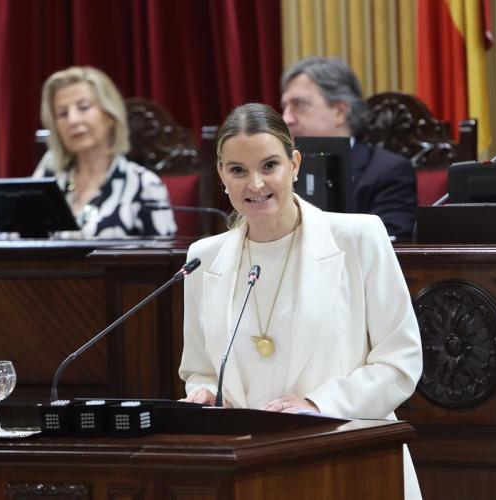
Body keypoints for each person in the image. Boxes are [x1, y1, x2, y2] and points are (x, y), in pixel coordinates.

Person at [179, 103, 423, 499]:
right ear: (221, 174)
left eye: (269, 165)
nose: (255, 184)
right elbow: (200, 370)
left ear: (294, 164)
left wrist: (317, 404)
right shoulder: (203, 258)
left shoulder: (359, 238)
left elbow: (400, 362)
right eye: (238, 170)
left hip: (350, 461)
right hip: (251, 470)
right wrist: (204, 393)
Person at [280, 56, 417, 241]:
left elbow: (389, 244)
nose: (286, 118)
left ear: (339, 111)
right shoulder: (279, 171)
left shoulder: (388, 171)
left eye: (299, 105)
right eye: (285, 107)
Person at [33, 66, 176, 238]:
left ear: (110, 116)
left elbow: (166, 253)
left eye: (83, 107)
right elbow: (17, 237)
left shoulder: (144, 185)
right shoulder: (49, 173)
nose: (73, 120)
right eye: (63, 114)